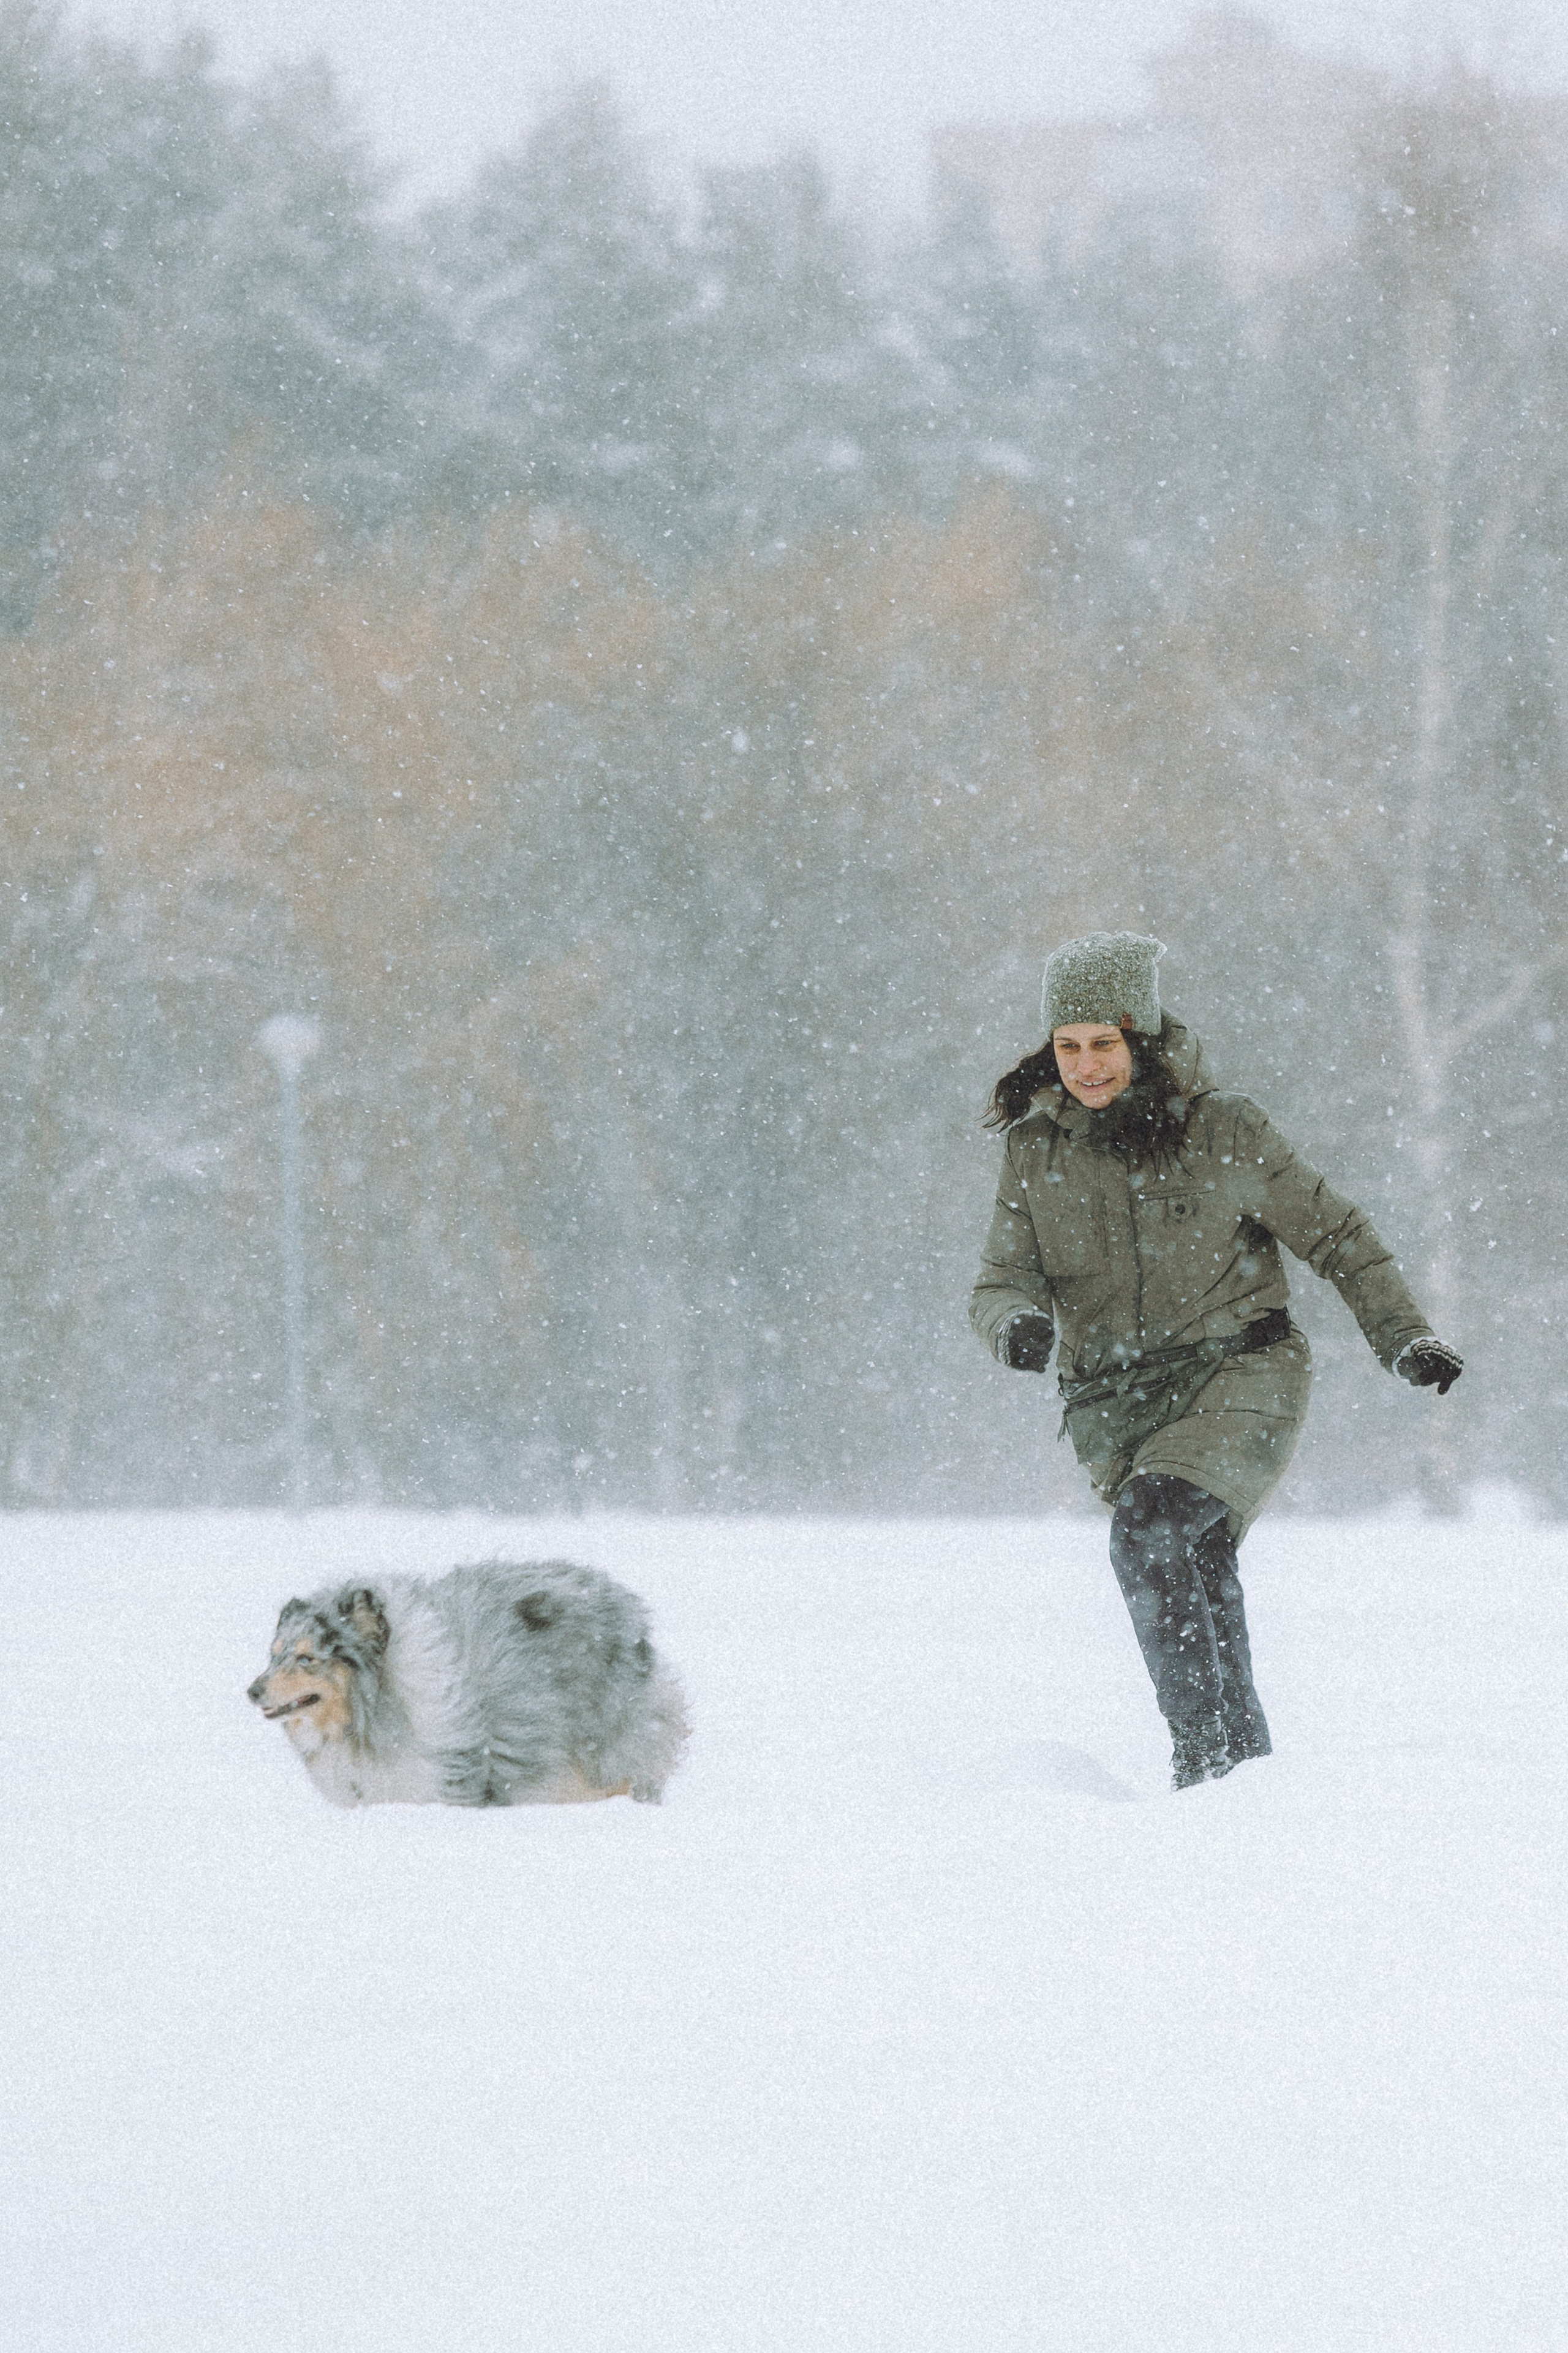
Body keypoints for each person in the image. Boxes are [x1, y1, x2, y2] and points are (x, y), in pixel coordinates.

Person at [970, 931, 1462, 1790]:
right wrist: (1014, 1325)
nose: (1086, 1066)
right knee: (1194, 1564)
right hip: (1113, 1404)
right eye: (1068, 1046)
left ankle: (1198, 1760)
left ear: (1143, 1039)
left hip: (1242, 1372)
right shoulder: (1034, 1149)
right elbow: (1001, 1279)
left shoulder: (1225, 1129)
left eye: (1104, 1043)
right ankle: (1243, 1782)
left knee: (1150, 1529)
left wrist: (1403, 1337)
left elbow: (1338, 1236)